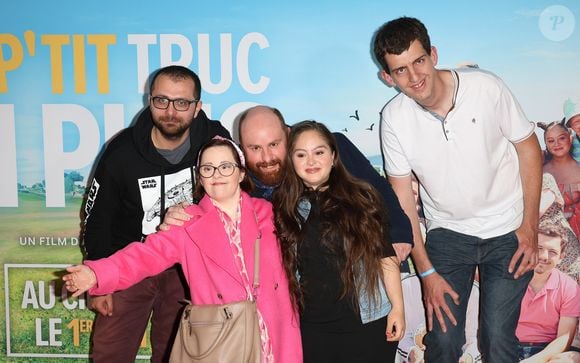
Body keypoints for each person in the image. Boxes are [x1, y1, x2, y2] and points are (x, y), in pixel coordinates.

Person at [373, 17, 543, 362]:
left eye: (419, 61)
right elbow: (404, 201)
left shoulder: (486, 87)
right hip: (448, 236)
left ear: (433, 54)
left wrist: (529, 227)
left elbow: (528, 147)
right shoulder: (393, 118)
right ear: (387, 78)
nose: (415, 77)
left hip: (508, 228)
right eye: (401, 70)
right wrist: (426, 272)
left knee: (496, 337)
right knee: (444, 342)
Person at [65, 137, 302, 362]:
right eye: (207, 168)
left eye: (225, 166)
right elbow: (144, 256)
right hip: (223, 340)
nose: (216, 174)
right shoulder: (187, 223)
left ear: (241, 173)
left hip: (276, 334)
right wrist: (96, 274)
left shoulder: (270, 214)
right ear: (200, 177)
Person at [81, 65, 230, 362]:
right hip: (129, 261)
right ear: (149, 100)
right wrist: (100, 281)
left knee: (175, 354)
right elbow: (98, 219)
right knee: (110, 353)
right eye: (161, 101)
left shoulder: (215, 142)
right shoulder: (121, 151)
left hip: (186, 268)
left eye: (182, 103)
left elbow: (233, 201)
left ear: (197, 107)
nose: (171, 112)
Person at [161, 105, 414, 262]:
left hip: (354, 277)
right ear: (241, 149)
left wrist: (400, 232)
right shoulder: (239, 179)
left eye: (274, 144)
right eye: (255, 148)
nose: (267, 157)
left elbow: (376, 188)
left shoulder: (327, 149)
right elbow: (211, 211)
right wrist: (181, 215)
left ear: (288, 135)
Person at [272, 120, 405, 362]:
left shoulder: (362, 198)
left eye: (319, 152)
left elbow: (385, 255)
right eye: (301, 154)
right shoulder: (284, 208)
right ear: (292, 161)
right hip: (312, 328)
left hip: (367, 323)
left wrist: (397, 308)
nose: (311, 161)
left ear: (333, 156)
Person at [516, 224, 580, 360]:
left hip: (546, 351)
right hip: (508, 346)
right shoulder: (509, 279)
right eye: (539, 248)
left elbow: (564, 339)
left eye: (552, 252)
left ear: (561, 257)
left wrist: (535, 360)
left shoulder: (570, 287)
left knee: (572, 358)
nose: (544, 256)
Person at [538, 120, 580, 238]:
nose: (556, 144)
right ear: (546, 144)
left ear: (570, 139)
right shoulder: (541, 171)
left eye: (561, 138)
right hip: (547, 235)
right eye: (551, 141)